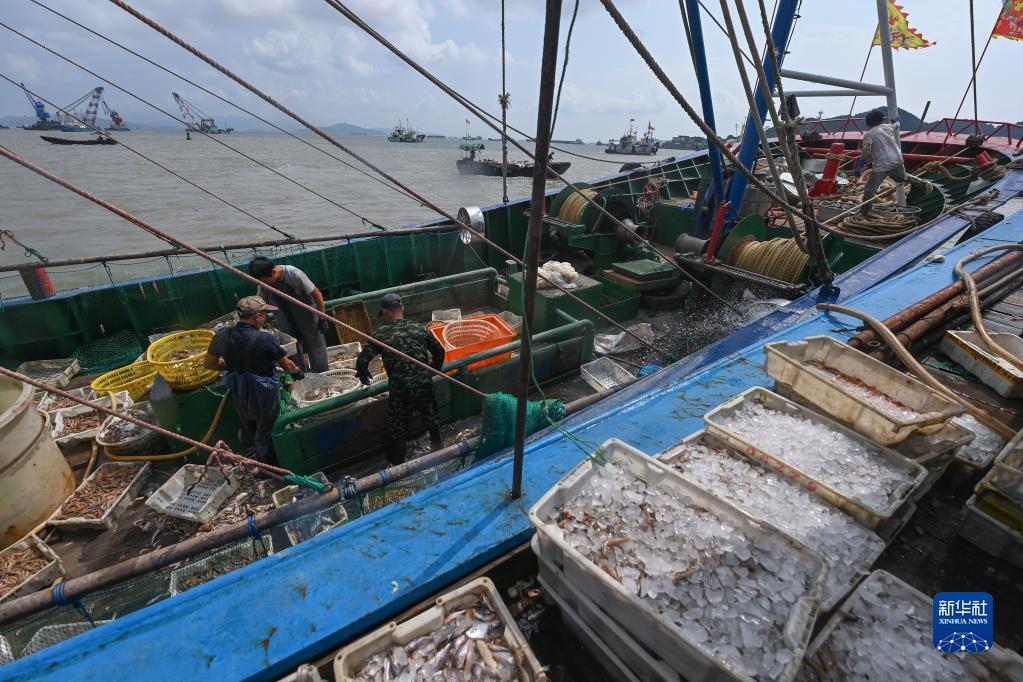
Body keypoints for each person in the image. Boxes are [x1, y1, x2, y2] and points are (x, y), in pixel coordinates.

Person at [205, 296, 303, 463]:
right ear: (257, 317)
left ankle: (260, 457)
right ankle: (271, 465)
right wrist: (299, 373)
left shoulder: (222, 335)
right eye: (264, 314)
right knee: (268, 425)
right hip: (263, 389)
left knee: (250, 422)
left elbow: (210, 363)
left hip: (238, 385)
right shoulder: (265, 338)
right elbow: (287, 366)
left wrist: (235, 366)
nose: (266, 318)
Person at [355, 293, 446, 465]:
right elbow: (440, 352)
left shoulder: (380, 334)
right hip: (423, 383)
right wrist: (433, 371)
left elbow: (362, 360)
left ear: (385, 312)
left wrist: (363, 374)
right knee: (431, 418)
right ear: (402, 308)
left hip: (400, 388)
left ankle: (398, 464)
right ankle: (440, 454)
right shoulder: (419, 328)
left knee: (398, 426)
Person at [248, 256, 330, 373]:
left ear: (273, 272)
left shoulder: (294, 274)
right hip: (284, 317)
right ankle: (299, 373)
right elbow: (261, 304)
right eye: (260, 281)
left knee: (315, 344)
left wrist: (322, 318)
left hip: (306, 315)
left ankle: (322, 373)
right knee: (291, 347)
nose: (262, 284)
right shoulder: (263, 283)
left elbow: (317, 294)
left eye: (264, 281)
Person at [857, 109, 932, 215]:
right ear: (881, 120)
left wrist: (860, 163)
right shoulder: (887, 127)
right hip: (897, 160)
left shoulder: (869, 134)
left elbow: (866, 149)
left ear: (868, 122)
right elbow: (897, 125)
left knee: (870, 189)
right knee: (902, 177)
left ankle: (863, 212)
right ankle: (924, 183)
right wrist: (896, 120)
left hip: (882, 164)